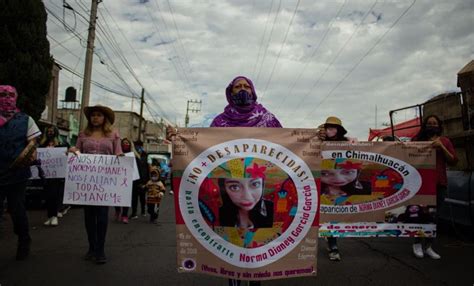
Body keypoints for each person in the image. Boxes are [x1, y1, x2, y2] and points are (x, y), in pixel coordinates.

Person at [168, 76, 282, 286]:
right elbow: (204, 149)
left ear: (253, 90)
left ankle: (256, 280)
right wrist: (179, 139)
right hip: (229, 183)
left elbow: (285, 146)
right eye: (237, 86)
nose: (242, 89)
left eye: (246, 86)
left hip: (257, 180)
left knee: (256, 246)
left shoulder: (268, 119)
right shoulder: (219, 121)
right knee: (231, 244)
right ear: (230, 92)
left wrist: (313, 138)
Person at [68, 105, 122, 264]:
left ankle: (100, 249)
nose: (95, 118)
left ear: (104, 118)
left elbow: (118, 153)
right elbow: (78, 153)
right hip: (87, 182)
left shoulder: (114, 135)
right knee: (89, 217)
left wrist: (122, 158)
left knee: (103, 217)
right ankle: (91, 247)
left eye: (98, 115)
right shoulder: (83, 135)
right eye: (93, 115)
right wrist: (72, 151)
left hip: (105, 183)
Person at [0, 85, 41, 260]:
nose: (7, 97)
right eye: (2, 94)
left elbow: (33, 143)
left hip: (17, 173)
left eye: (11, 95)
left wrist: (30, 155)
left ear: (16, 97)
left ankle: (24, 240)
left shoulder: (26, 119)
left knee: (17, 209)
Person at [411, 115, 457, 259]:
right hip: (421, 186)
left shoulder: (445, 141)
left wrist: (441, 147)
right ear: (425, 126)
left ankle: (429, 246)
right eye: (429, 123)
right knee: (420, 215)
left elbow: (454, 161)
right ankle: (417, 244)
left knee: (434, 217)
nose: (432, 125)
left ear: (439, 126)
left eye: (434, 123)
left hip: (439, 184)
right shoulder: (417, 142)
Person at [318, 116, 353, 262]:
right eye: (328, 127)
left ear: (339, 130)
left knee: (333, 216)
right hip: (321, 183)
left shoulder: (347, 143)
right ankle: (330, 245)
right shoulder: (318, 142)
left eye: (334, 127)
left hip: (340, 185)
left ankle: (332, 244)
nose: (330, 130)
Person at [39, 126, 68, 227]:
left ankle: (55, 216)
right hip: (46, 175)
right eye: (48, 131)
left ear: (55, 132)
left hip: (57, 175)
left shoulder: (61, 144)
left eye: (52, 131)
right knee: (48, 196)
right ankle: (50, 216)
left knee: (55, 195)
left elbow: (66, 155)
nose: (50, 133)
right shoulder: (42, 144)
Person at [113, 138, 134, 224]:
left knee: (126, 198)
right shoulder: (116, 154)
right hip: (117, 179)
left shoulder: (132, 156)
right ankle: (117, 210)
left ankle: (124, 215)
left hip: (128, 180)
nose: (126, 144)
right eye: (124, 143)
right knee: (116, 196)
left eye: (127, 143)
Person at [130, 141, 148, 219]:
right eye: (136, 146)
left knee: (142, 196)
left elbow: (147, 168)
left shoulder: (145, 155)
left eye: (139, 146)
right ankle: (134, 213)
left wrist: (146, 180)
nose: (138, 148)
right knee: (134, 197)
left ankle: (143, 211)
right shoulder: (132, 155)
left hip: (143, 179)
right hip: (134, 179)